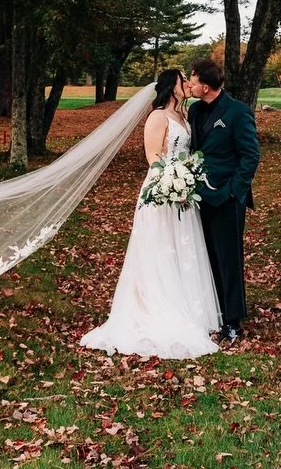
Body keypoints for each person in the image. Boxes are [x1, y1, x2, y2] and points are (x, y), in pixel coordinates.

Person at [79, 69, 222, 358]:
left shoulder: (184, 115)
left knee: (183, 248)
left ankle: (188, 308)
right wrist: (171, 181)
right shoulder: (157, 117)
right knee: (160, 249)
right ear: (173, 86)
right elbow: (152, 156)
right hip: (162, 191)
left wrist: (185, 178)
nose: (188, 85)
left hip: (182, 191)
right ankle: (155, 307)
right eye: (184, 81)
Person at [186, 57, 260, 344]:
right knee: (205, 257)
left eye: (192, 81)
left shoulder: (238, 112)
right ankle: (212, 312)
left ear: (205, 86)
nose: (190, 85)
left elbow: (250, 155)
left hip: (227, 198)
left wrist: (234, 191)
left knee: (229, 259)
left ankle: (232, 321)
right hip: (196, 197)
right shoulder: (193, 111)